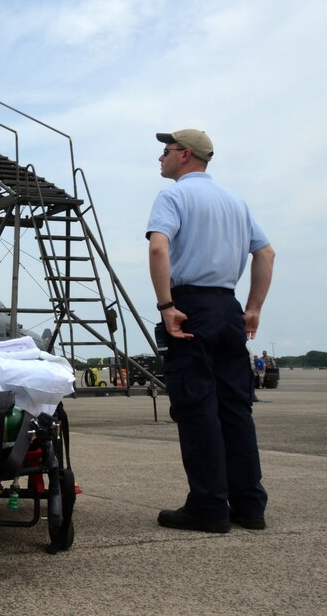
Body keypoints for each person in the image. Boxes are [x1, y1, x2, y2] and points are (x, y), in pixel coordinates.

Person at [146, 128, 275, 534]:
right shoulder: (236, 202)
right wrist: (252, 308)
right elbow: (265, 252)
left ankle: (208, 507)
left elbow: (158, 247)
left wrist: (167, 306)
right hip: (227, 306)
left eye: (166, 151)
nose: (161, 158)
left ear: (185, 155)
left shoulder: (174, 196)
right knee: (235, 408)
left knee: (196, 406)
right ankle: (250, 506)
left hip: (191, 308)